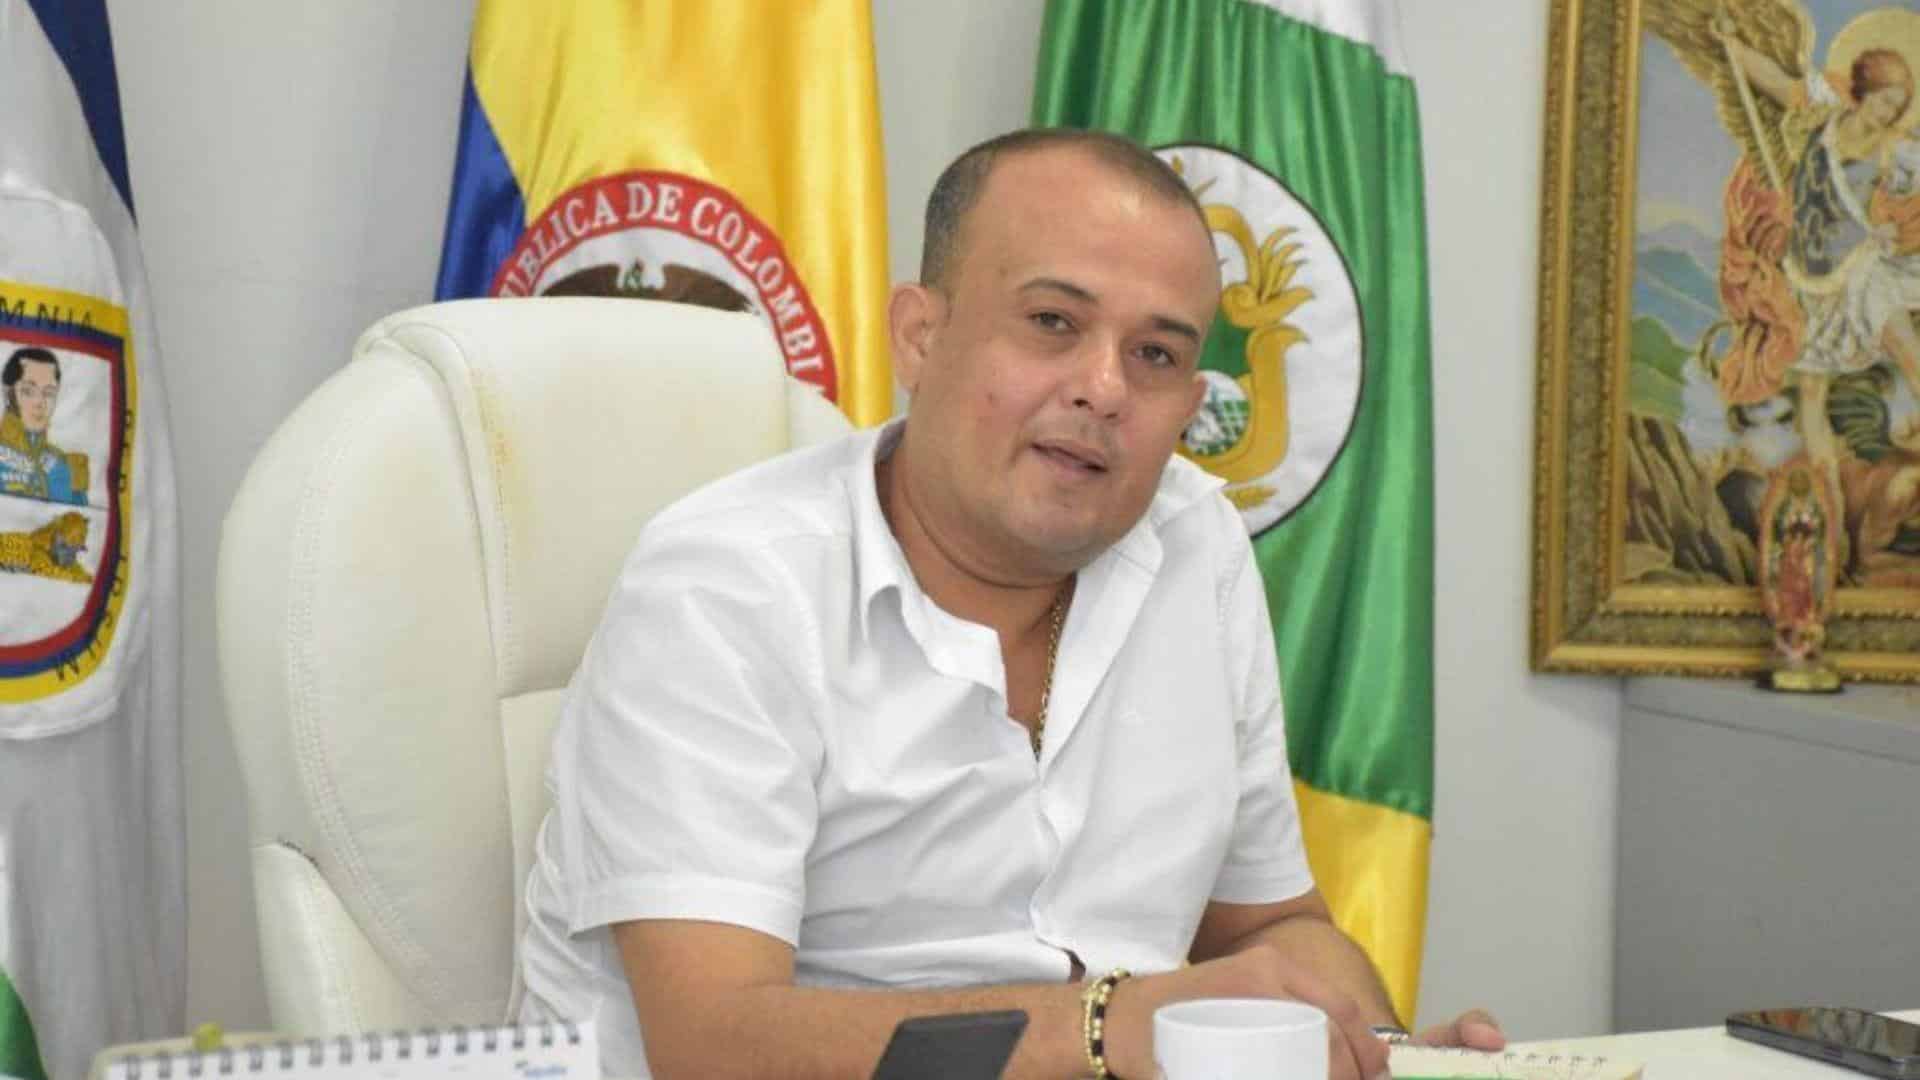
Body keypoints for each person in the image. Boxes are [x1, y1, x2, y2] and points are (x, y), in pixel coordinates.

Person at [517, 129, 1502, 1080]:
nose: (1104, 389)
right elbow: (713, 1044)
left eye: (1156, 356)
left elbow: (1270, 929)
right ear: (920, 336)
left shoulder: (1194, 543)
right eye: (1053, 324)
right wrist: (1106, 1026)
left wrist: (1378, 1051)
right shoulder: (726, 585)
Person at [0, 346, 88, 506]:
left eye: (49, 393)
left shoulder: (67, 466)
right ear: (8, 393)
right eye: (28, 391)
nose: (39, 402)